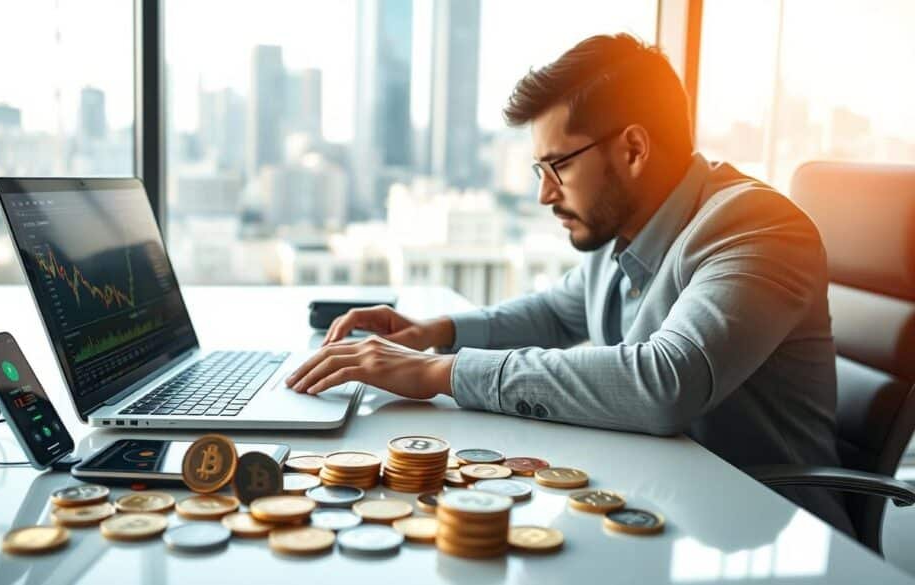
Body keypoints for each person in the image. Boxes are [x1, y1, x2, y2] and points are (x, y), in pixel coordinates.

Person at [285, 34, 852, 535]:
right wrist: (434, 332)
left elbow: (665, 382)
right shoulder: (627, 232)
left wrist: (437, 373)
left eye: (558, 166)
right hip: (661, 499)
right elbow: (556, 314)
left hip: (764, 527)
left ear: (633, 148)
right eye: (540, 171)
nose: (544, 195)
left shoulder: (757, 226)